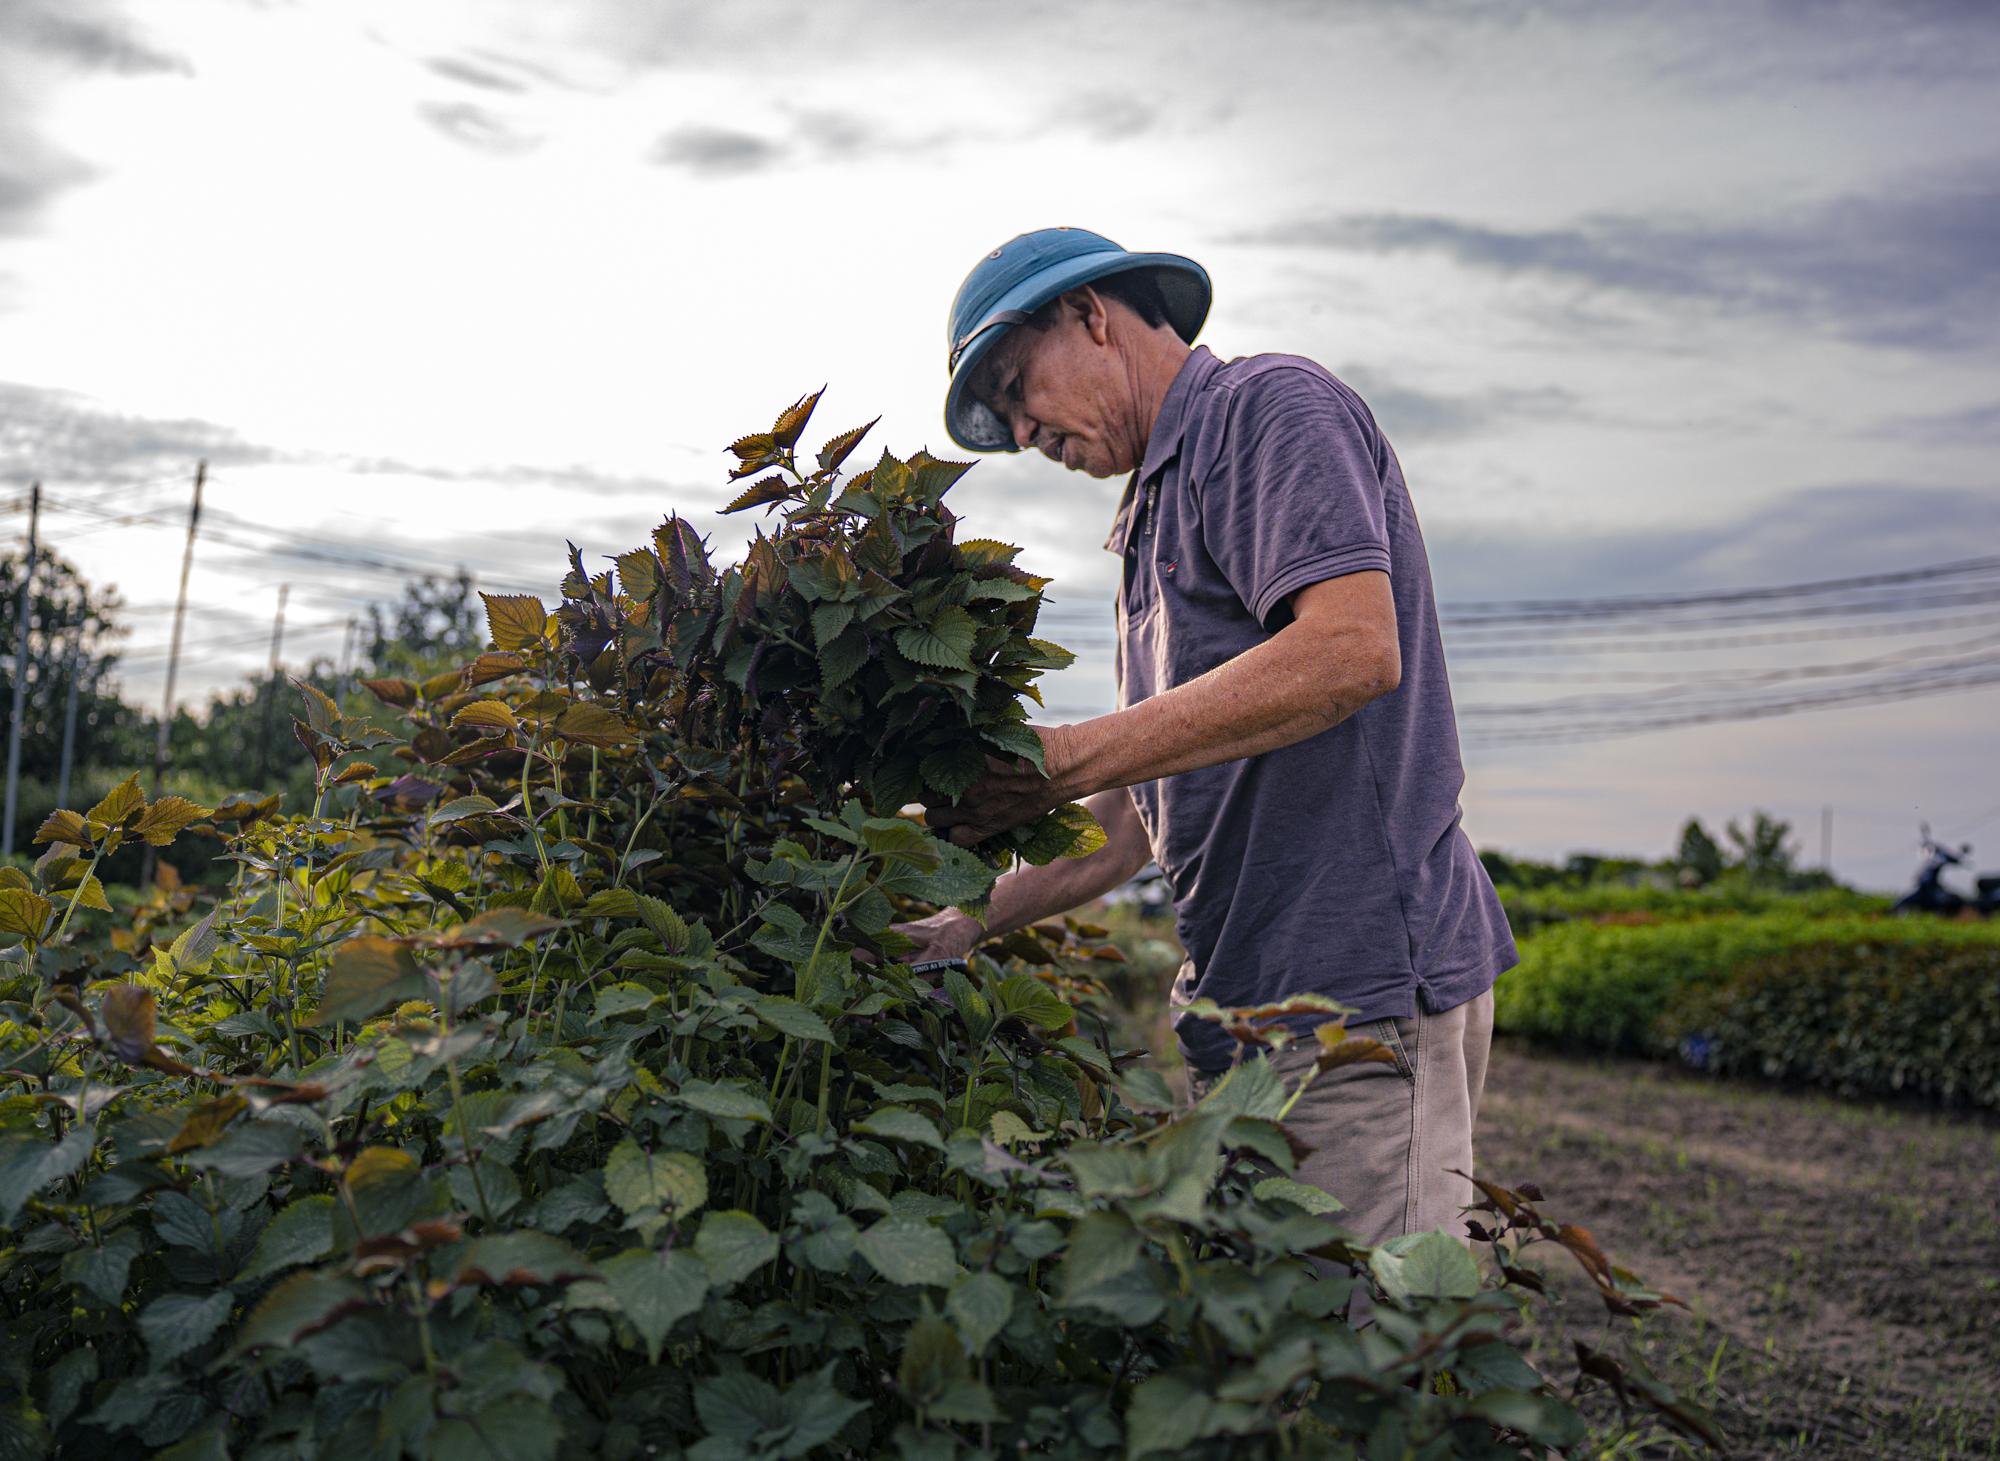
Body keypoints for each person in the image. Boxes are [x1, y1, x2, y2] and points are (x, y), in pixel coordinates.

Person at [898, 226, 1516, 1248]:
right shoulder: (1149, 521)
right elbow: (1131, 825)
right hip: (1244, 1007)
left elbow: (1351, 652)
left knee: (1370, 1357)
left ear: (1089, 316)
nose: (1020, 431)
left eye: (1017, 386)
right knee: (1276, 1347)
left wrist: (1057, 760)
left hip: (1352, 997)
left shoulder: (1262, 411)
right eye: (1002, 416)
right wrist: (971, 918)